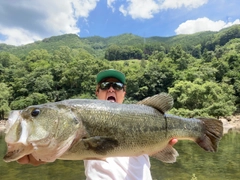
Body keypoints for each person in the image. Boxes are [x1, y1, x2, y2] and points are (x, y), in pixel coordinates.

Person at [17, 69, 178, 179]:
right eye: (105, 86)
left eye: (117, 86)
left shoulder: (143, 115)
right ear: (97, 91)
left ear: (124, 92)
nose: (111, 89)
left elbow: (160, 150)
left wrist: (161, 146)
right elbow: (58, 147)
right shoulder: (80, 117)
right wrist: (41, 153)